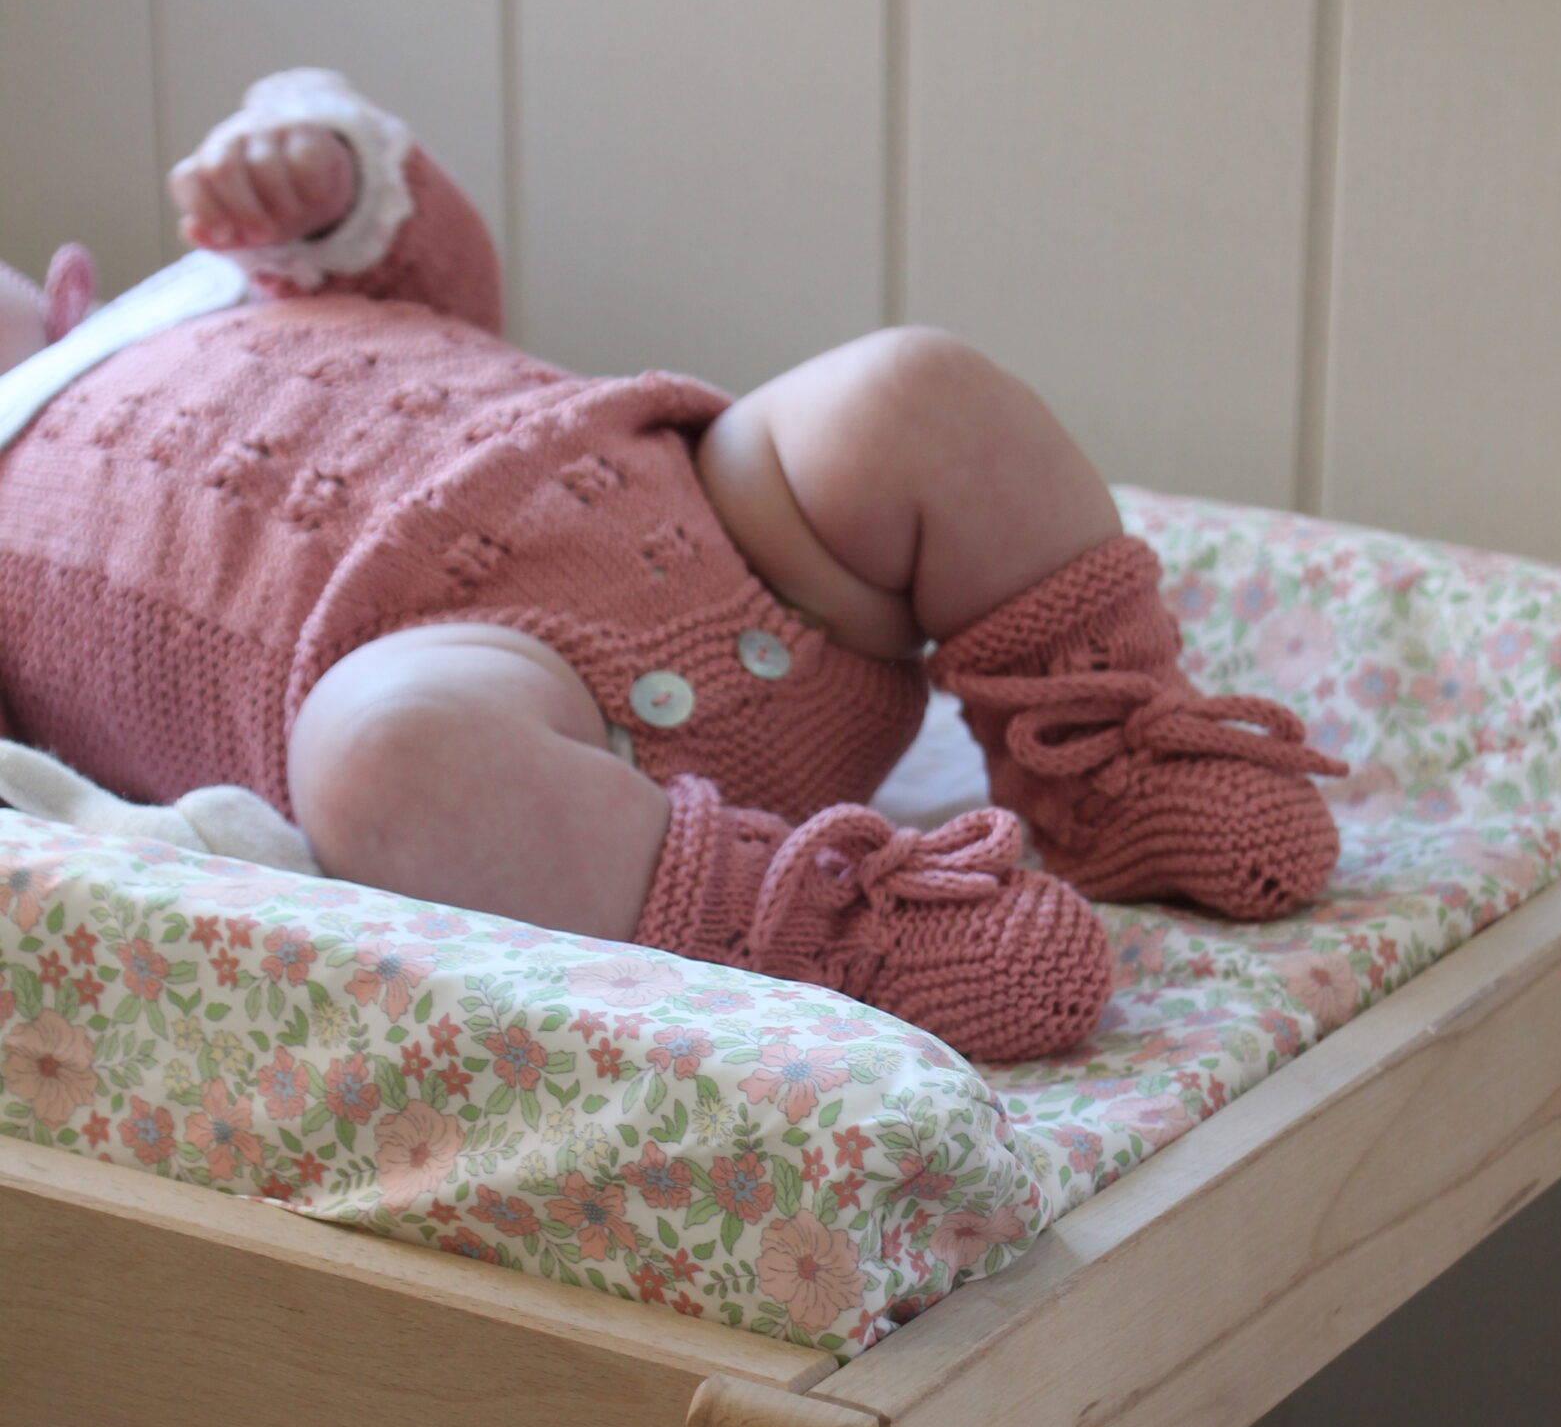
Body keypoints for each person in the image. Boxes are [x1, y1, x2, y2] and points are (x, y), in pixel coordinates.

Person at [0, 71, 1342, 1061]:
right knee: (379, 751)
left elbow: (436, 268)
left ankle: (1108, 759)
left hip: (735, 529)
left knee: (914, 392)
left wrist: (323, 181)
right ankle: (831, 932)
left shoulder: (203, 289)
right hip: (514, 719)